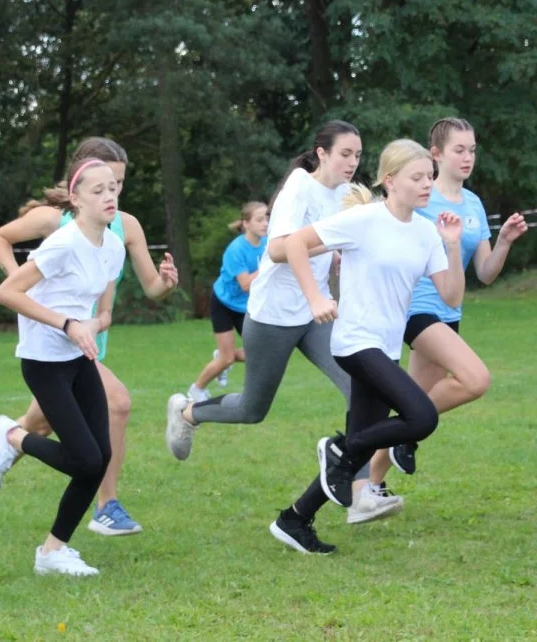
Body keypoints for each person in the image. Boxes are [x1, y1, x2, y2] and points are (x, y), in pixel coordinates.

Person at [165, 121, 402, 536]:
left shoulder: (346, 197)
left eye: (358, 155)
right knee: (253, 409)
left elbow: (330, 252)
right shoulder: (299, 186)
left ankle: (361, 489)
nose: (352, 162)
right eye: (345, 153)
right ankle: (187, 412)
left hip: (315, 317)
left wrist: (338, 266)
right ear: (322, 152)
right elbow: (277, 249)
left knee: (361, 388)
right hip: (274, 314)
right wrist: (319, 279)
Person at [0, 137, 178, 536]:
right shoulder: (55, 222)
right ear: (78, 190)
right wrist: (23, 287)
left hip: (87, 343)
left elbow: (150, 289)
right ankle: (106, 505)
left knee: (39, 428)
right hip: (53, 344)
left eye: (119, 184)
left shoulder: (123, 227)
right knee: (117, 405)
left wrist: (165, 285)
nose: (113, 193)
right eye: (104, 184)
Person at [268, 139, 464, 554]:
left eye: (430, 176)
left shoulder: (427, 232)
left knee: (355, 454)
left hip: (386, 347)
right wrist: (316, 299)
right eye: (418, 177)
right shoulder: (364, 220)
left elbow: (450, 295)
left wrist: (451, 243)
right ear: (390, 181)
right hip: (356, 342)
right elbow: (295, 244)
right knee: (422, 417)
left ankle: (294, 519)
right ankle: (338, 447)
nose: (427, 183)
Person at [349, 118, 530, 521]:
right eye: (459, 150)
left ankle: (368, 489)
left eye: (472, 150)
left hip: (451, 312)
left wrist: (503, 242)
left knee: (409, 413)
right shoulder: (420, 196)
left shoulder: (474, 205)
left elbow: (484, 273)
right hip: (416, 310)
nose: (468, 157)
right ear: (436, 154)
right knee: (475, 380)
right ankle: (374, 449)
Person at [0, 157, 125, 576]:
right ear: (75, 199)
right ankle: (12, 437)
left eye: (112, 187)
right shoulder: (62, 243)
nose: (109, 195)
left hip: (79, 358)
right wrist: (66, 323)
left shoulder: (113, 246)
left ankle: (53, 552)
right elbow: (7, 292)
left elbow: (106, 313)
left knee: (100, 457)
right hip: (44, 361)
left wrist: (91, 325)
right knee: (84, 459)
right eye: (97, 190)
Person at [187, 201, 268, 402]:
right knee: (227, 358)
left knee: (260, 355)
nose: (265, 223)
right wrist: (270, 263)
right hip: (223, 303)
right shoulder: (235, 250)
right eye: (259, 219)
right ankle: (196, 390)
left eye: (267, 218)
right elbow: (246, 285)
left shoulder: (268, 243)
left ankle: (224, 358)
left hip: (246, 307)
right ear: (246, 224)